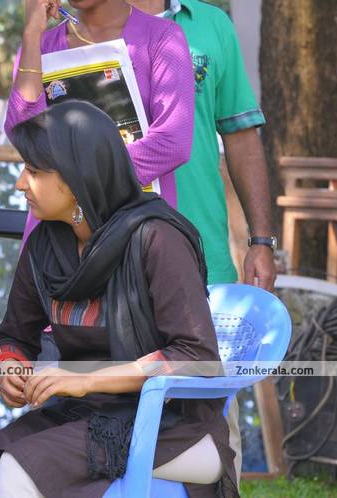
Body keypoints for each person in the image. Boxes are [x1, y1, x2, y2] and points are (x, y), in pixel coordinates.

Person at [0, 101, 238, 498]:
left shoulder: (156, 238)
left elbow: (195, 355)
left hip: (172, 425)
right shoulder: (45, 246)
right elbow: (15, 336)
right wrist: (11, 368)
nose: (20, 183)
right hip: (81, 415)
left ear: (75, 177)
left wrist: (86, 381)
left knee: (19, 470)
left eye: (34, 171)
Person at [128, 0, 277, 481]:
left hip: (203, 262)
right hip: (111, 261)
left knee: (213, 430)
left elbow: (241, 136)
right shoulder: (87, 23)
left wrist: (261, 239)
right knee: (106, 422)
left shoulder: (212, 25)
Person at [7, 0, 195, 241]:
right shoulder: (40, 44)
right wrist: (32, 34)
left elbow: (172, 143)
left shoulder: (161, 37)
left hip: (135, 235)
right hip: (54, 240)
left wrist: (80, 181)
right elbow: (24, 133)